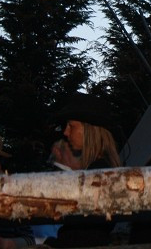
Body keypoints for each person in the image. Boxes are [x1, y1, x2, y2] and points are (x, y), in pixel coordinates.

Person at [44, 93, 122, 248]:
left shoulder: (100, 172)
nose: (66, 132)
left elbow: (84, 237)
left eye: (71, 126)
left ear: (89, 130)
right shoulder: (100, 168)